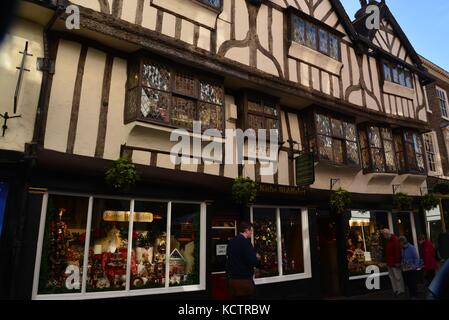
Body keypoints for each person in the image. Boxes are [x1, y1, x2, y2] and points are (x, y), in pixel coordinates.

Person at [226, 221, 261, 299]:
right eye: (251, 230)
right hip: (244, 282)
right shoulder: (246, 243)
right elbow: (252, 262)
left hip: (232, 281)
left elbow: (228, 260)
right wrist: (257, 258)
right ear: (246, 230)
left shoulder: (231, 242)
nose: (251, 233)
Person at [382, 229, 405, 296]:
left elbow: (397, 252)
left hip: (394, 263)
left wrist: (397, 262)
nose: (384, 237)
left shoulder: (395, 240)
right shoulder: (389, 240)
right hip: (390, 262)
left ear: (386, 234)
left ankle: (400, 290)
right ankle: (396, 290)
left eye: (384, 235)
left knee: (397, 277)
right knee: (392, 277)